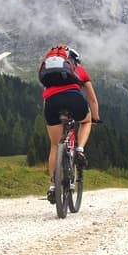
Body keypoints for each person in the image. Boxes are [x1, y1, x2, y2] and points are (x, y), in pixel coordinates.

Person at [41, 45, 100, 203]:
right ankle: (79, 149)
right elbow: (92, 99)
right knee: (86, 121)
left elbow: (45, 96)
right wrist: (95, 117)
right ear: (74, 60)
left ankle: (53, 187)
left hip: (51, 103)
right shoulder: (78, 69)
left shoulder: (49, 72)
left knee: (55, 145)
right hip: (75, 100)